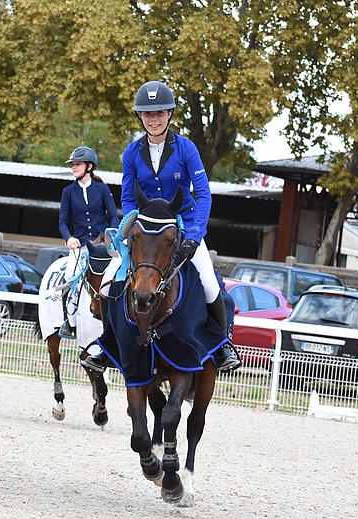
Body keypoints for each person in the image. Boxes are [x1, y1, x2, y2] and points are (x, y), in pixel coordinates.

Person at [82, 80, 241, 374]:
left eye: (159, 113)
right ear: (140, 117)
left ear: (169, 114)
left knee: (207, 284)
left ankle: (222, 346)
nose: (153, 119)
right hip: (146, 232)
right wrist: (132, 227)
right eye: (147, 114)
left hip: (183, 227)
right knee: (108, 286)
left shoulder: (186, 148)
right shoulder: (131, 152)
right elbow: (128, 197)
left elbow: (203, 194)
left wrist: (194, 236)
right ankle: (108, 346)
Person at [56, 146, 119, 338]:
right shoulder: (68, 191)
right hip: (81, 245)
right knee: (68, 277)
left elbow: (114, 216)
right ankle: (69, 321)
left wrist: (111, 236)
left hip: (103, 245)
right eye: (73, 165)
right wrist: (69, 238)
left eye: (77, 164)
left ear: (89, 166)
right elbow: (63, 221)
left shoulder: (102, 189)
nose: (73, 168)